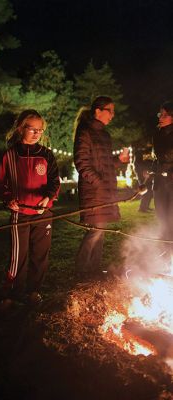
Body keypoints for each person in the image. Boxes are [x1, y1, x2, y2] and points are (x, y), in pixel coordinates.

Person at [0, 109, 60, 308]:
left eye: (40, 130)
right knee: (18, 256)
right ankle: (13, 293)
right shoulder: (10, 155)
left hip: (42, 214)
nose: (37, 133)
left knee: (40, 254)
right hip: (20, 214)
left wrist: (48, 199)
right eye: (32, 129)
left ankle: (33, 291)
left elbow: (55, 182)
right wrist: (8, 199)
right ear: (21, 128)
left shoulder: (47, 155)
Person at [73, 96, 128, 279]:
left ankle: (94, 269)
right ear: (98, 111)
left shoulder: (104, 135)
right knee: (96, 230)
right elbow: (82, 163)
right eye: (109, 110)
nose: (112, 115)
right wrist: (98, 183)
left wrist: (117, 161)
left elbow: (105, 163)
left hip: (104, 191)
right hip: (94, 191)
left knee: (100, 231)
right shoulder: (85, 132)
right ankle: (82, 270)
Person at [153, 101, 173, 267]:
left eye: (165, 114)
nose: (161, 117)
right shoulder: (158, 134)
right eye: (160, 114)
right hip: (160, 181)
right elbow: (158, 157)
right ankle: (164, 254)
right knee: (161, 217)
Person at [134, 144, 154, 212]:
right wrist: (144, 170)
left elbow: (147, 163)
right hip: (143, 176)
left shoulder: (144, 156)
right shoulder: (139, 156)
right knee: (145, 191)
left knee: (150, 191)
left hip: (147, 175)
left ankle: (146, 206)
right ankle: (142, 208)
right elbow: (140, 164)